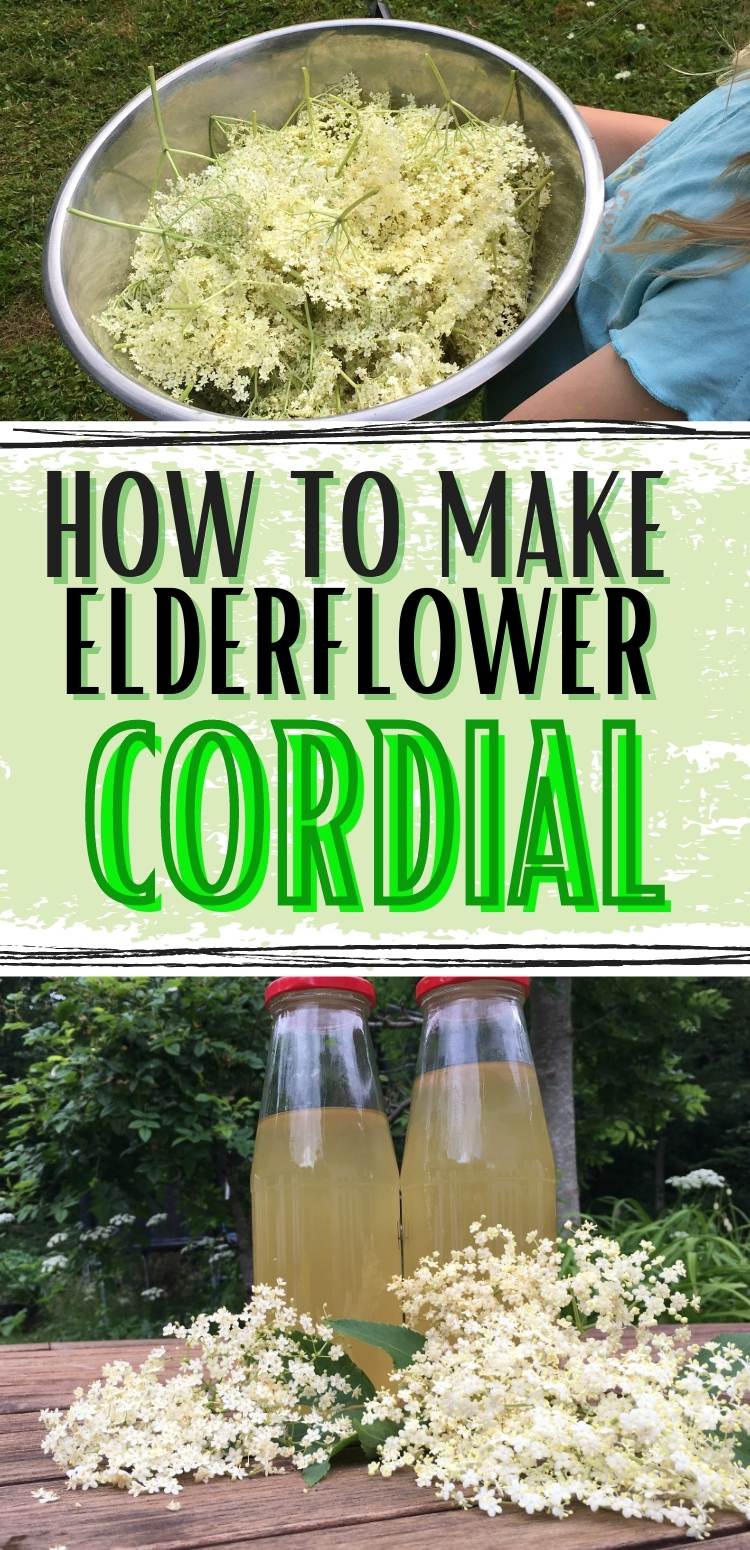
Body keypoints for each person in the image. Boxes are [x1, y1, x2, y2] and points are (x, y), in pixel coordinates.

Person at [485, 48, 750, 422]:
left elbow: (504, 465)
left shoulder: (731, 329)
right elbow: (675, 156)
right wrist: (492, 108)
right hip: (543, 331)